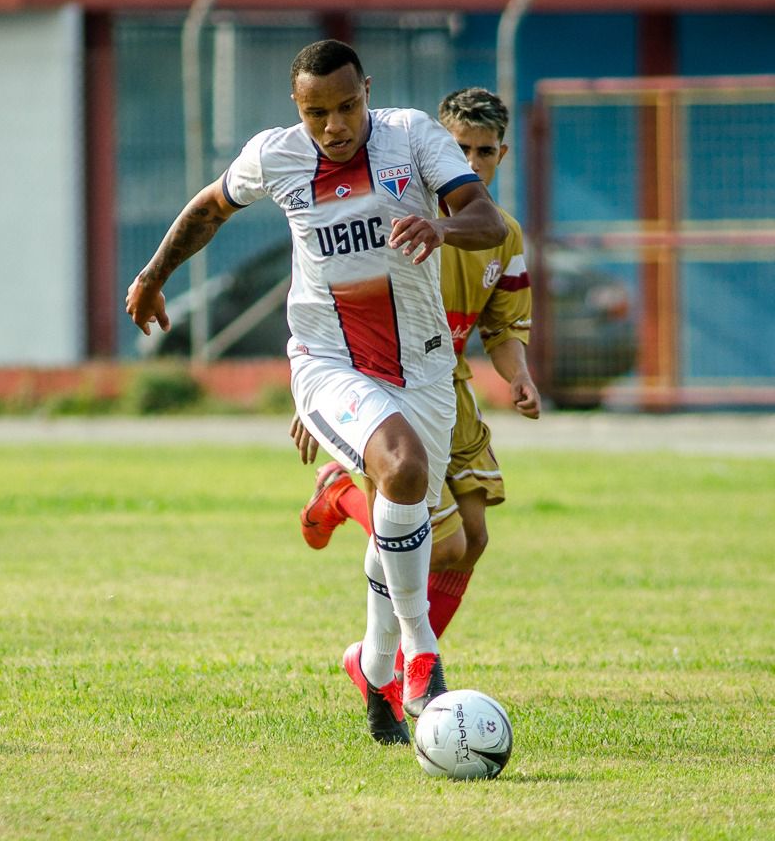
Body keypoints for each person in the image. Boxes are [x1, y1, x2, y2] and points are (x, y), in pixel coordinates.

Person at [126, 41, 506, 746]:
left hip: (422, 367)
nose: (333, 126)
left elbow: (487, 220)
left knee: (404, 521)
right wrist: (153, 274)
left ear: (367, 90)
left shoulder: (414, 137)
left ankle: (376, 668)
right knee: (403, 468)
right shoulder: (276, 155)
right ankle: (423, 655)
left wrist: (440, 225)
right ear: (296, 109)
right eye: (316, 113)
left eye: (346, 106)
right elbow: (210, 208)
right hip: (328, 362)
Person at [291, 87, 541, 725]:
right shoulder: (395, 212)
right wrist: (320, 395)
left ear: (501, 155)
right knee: (437, 537)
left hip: (449, 385)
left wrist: (518, 376)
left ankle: (400, 666)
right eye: (460, 148)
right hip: (387, 383)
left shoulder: (501, 235)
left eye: (486, 152)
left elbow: (504, 328)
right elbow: (329, 303)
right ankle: (345, 506)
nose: (473, 161)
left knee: (472, 538)